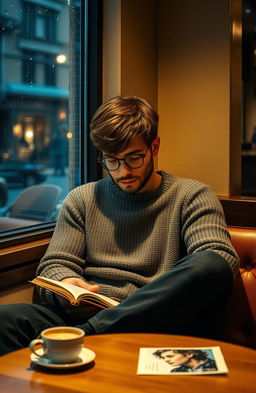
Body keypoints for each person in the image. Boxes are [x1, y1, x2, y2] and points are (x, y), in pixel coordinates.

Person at [0, 96, 239, 356]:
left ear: (154, 147)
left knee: (211, 262)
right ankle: (90, 335)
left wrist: (96, 328)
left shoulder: (191, 195)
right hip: (83, 317)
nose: (123, 171)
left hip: (152, 321)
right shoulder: (83, 198)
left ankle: (92, 337)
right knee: (6, 319)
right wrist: (69, 283)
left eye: (134, 158)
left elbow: (220, 259)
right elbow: (54, 265)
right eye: (112, 161)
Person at [153, 349, 217, 372]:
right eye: (163, 358)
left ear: (189, 354)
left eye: (170, 356)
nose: (166, 360)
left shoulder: (215, 365)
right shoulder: (175, 371)